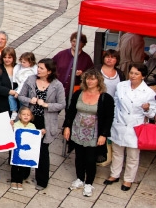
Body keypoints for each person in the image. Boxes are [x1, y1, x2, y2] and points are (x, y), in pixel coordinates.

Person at [17, 58, 66, 190]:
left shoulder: (57, 85)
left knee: (42, 150)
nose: (38, 70)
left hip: (46, 121)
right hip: (29, 119)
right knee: (26, 146)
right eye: (38, 67)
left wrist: (46, 105)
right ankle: (24, 174)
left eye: (41, 68)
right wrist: (30, 100)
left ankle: (42, 180)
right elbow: (21, 96)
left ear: (49, 71)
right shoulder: (31, 79)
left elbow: (62, 104)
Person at [105, 63, 156, 191]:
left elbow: (152, 114)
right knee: (117, 151)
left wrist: (147, 109)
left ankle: (128, 179)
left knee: (133, 155)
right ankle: (114, 174)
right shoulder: (121, 85)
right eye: (131, 73)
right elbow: (116, 102)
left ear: (143, 76)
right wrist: (114, 119)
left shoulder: (148, 92)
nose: (133, 76)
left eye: (136, 74)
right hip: (119, 123)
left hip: (135, 126)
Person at [63, 69, 114, 197]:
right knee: (79, 156)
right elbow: (71, 111)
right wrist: (67, 126)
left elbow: (109, 118)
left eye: (93, 79)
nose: (89, 81)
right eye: (87, 78)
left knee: (91, 159)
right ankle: (80, 179)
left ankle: (89, 183)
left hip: (94, 133)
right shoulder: (78, 93)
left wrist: (103, 134)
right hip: (77, 130)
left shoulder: (105, 98)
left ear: (98, 81)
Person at [53, 31, 95, 104]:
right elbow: (50, 66)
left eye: (79, 42)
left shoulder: (86, 59)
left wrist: (82, 74)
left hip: (74, 91)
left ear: (83, 44)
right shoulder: (61, 54)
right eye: (74, 41)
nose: (75, 44)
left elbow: (92, 76)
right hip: (57, 89)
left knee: (70, 109)